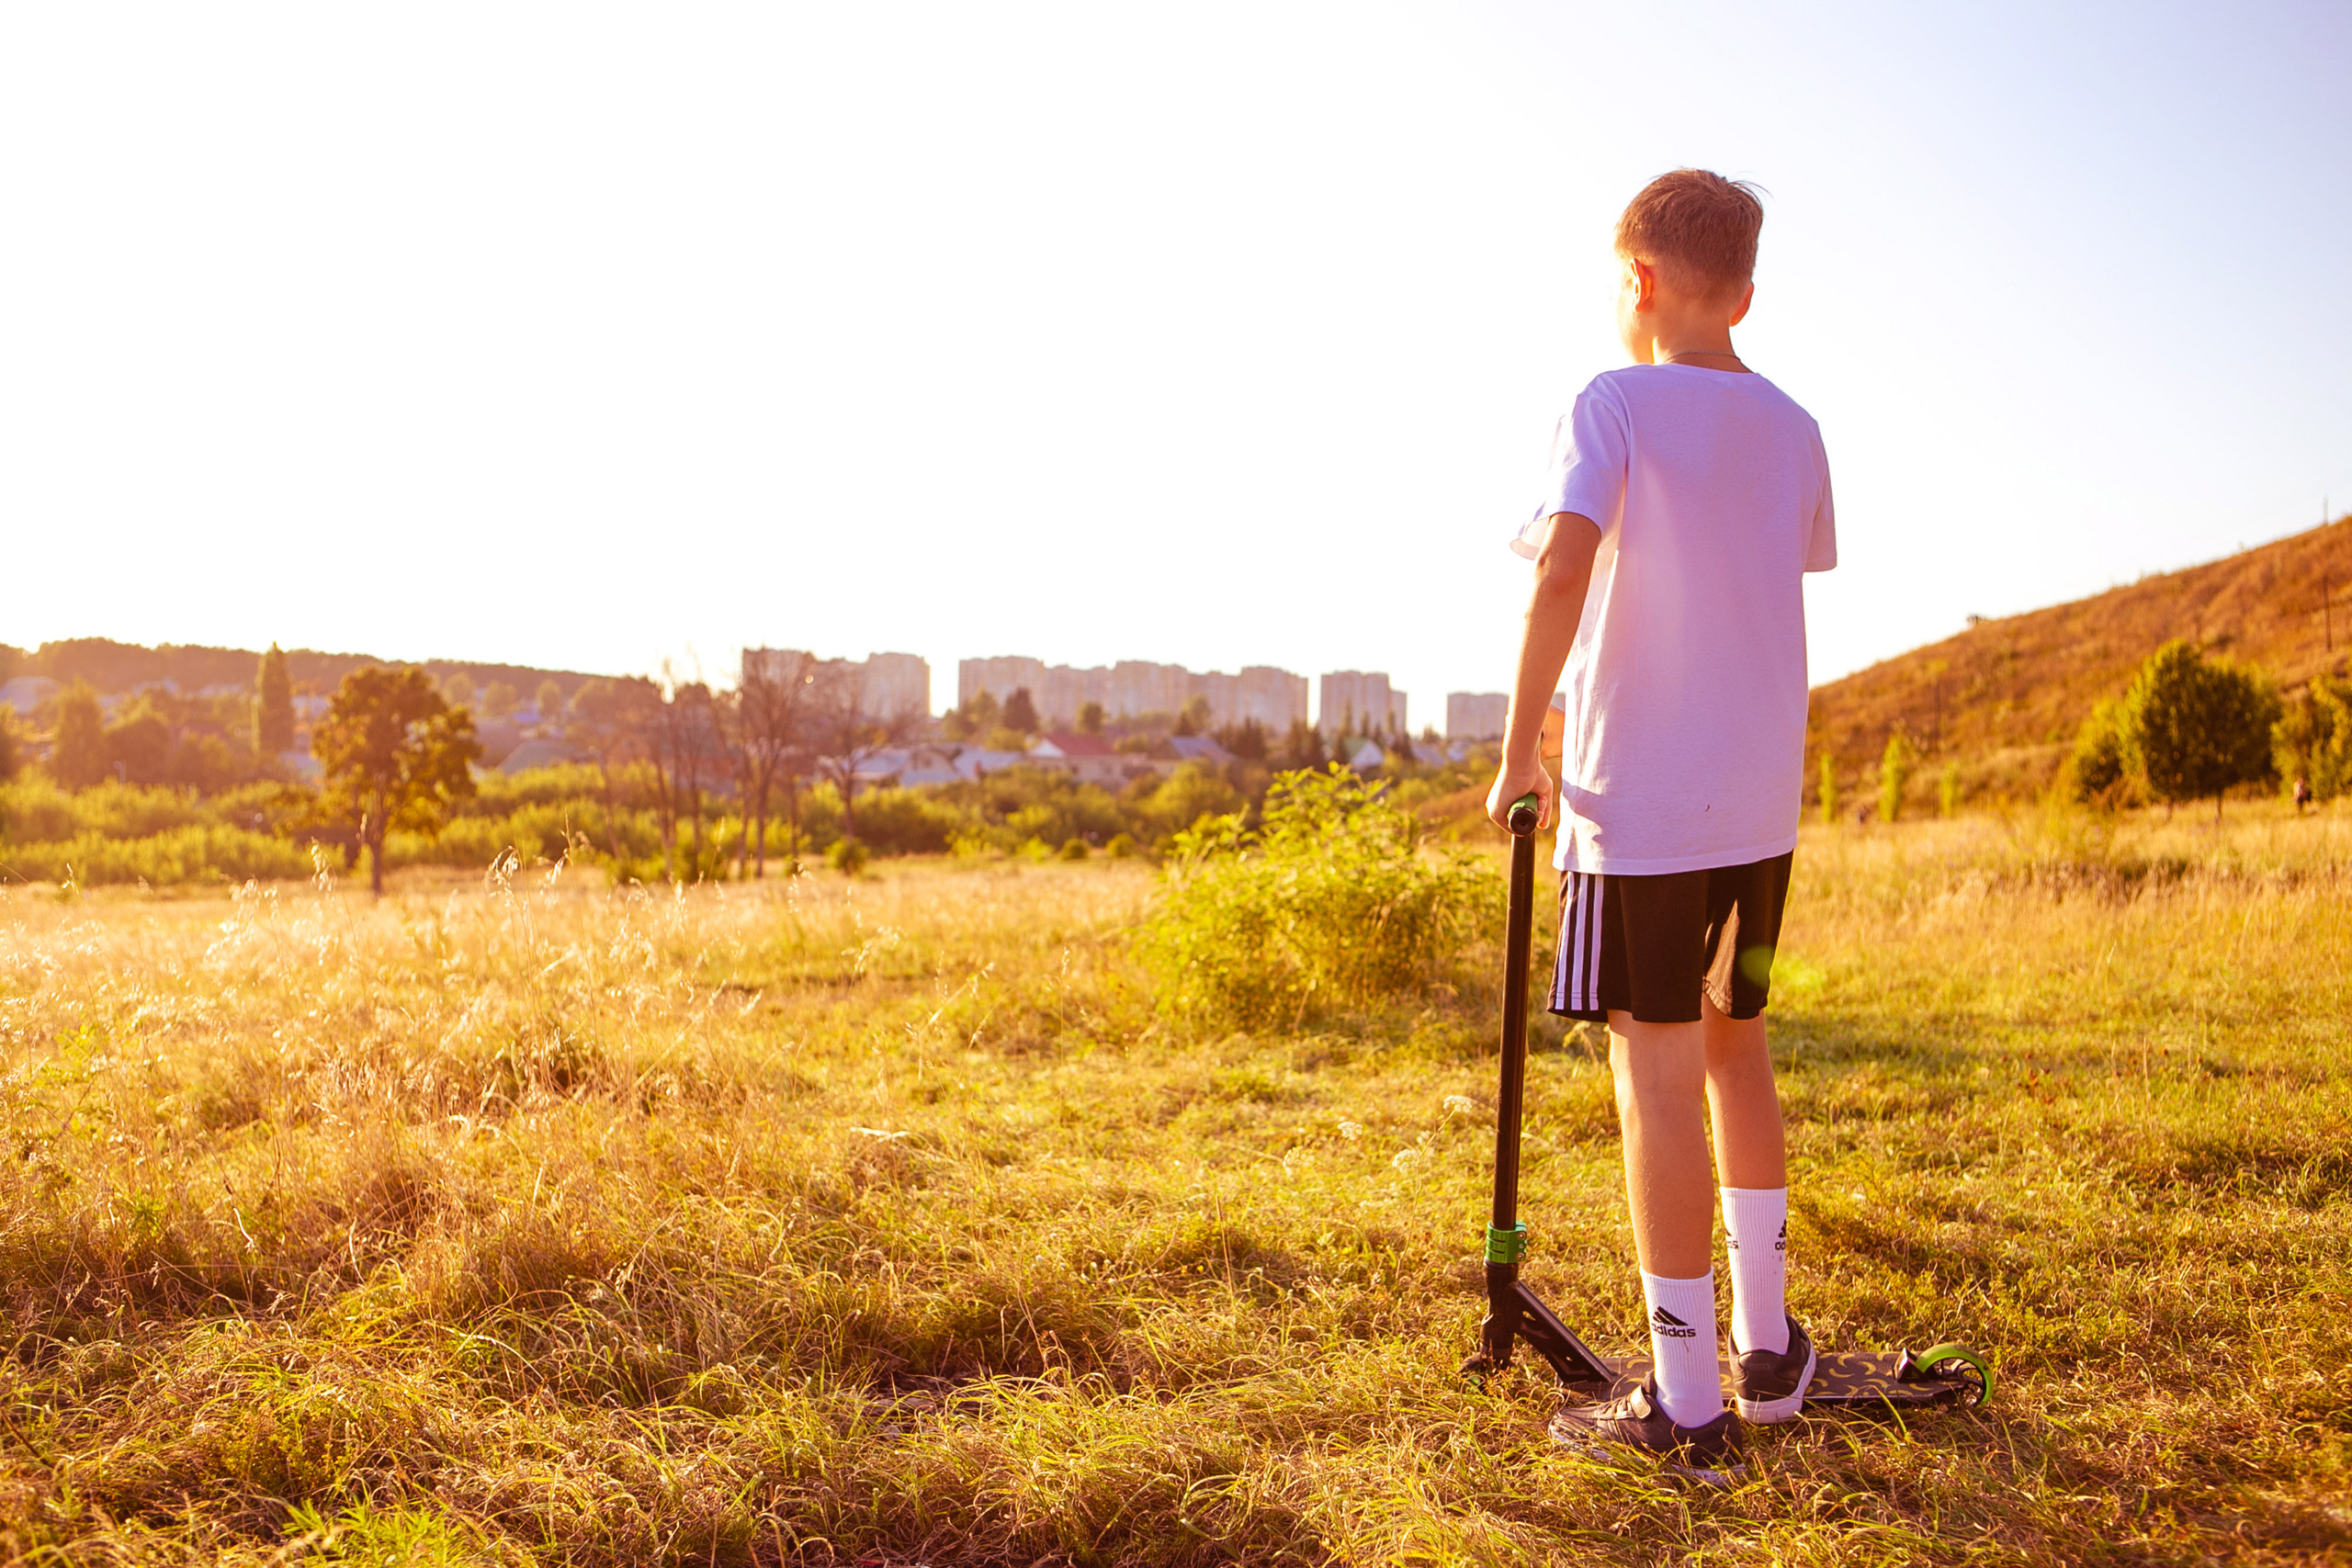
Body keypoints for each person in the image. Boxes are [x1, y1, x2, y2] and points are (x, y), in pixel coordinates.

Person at [1486, 168, 1837, 1463]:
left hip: (1641, 818)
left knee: (1656, 1083)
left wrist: (1520, 743)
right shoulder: (1795, 425)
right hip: (1758, 819)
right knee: (1737, 1046)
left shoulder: (1613, 399)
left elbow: (1568, 565)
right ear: (1744, 289)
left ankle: (1687, 1406)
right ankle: (1767, 1343)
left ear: (1635, 279)